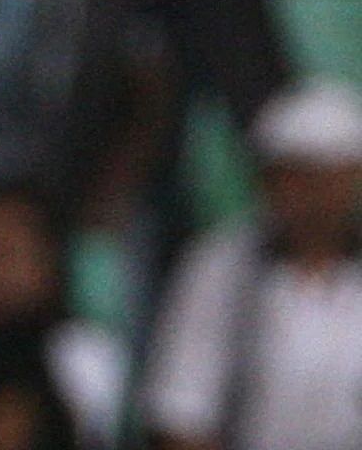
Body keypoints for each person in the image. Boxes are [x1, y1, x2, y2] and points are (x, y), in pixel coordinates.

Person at [138, 81, 362, 450]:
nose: (313, 197)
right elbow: (181, 412)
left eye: (326, 179)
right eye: (294, 177)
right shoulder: (220, 267)